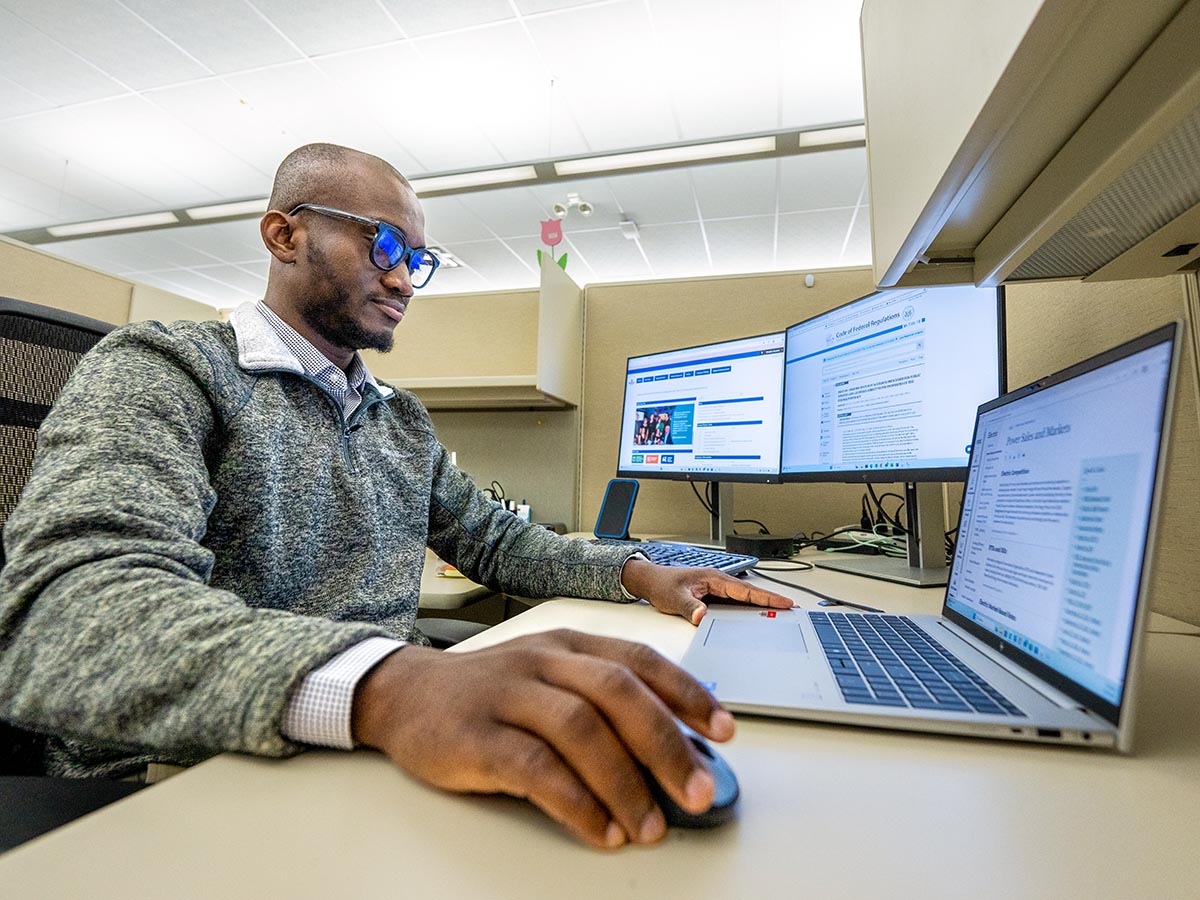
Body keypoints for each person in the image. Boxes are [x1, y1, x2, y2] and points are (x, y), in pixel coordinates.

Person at [0, 143, 792, 850]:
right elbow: (69, 609)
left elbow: (496, 542)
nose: (404, 276)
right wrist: (391, 685)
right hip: (182, 770)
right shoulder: (163, 369)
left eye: (420, 257)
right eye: (383, 243)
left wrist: (636, 572)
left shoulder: (397, 419)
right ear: (285, 235)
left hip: (366, 745)